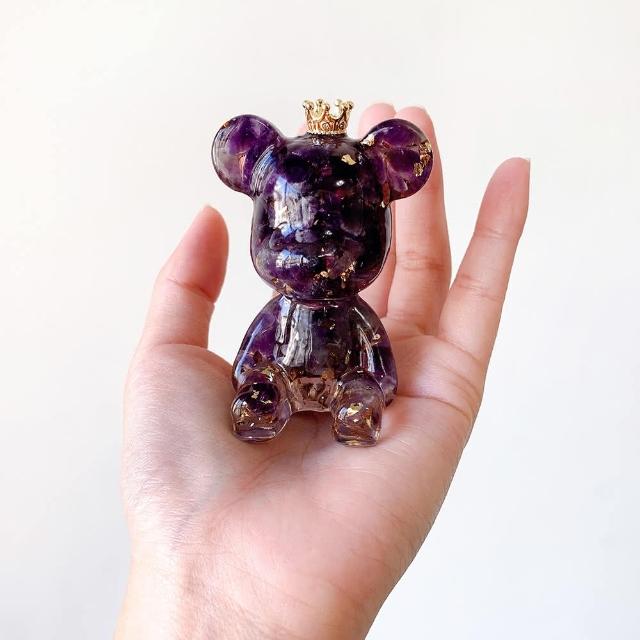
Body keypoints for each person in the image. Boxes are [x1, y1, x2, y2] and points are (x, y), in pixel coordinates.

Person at [115, 104, 530, 639]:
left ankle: (352, 407)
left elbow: (380, 364)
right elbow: (251, 358)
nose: (315, 254)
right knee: (267, 383)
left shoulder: (358, 320)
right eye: (289, 235)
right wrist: (254, 379)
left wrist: (375, 384)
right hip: (283, 379)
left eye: (343, 240)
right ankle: (270, 404)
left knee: (361, 386)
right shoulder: (279, 315)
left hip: (345, 381)